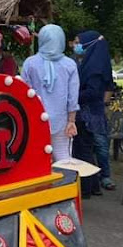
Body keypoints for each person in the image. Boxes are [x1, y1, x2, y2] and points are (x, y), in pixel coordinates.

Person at [21, 24, 79, 161]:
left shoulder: (30, 63)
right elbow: (73, 97)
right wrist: (72, 121)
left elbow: (24, 93)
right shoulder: (70, 64)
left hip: (35, 121)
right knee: (63, 160)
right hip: (62, 122)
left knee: (37, 161)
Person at [72, 31, 115, 196]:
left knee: (84, 150)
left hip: (87, 114)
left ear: (89, 44)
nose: (76, 45)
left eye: (78, 42)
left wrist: (71, 97)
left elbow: (92, 92)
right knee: (87, 149)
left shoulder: (94, 68)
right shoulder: (92, 63)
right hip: (89, 113)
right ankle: (94, 186)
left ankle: (86, 188)